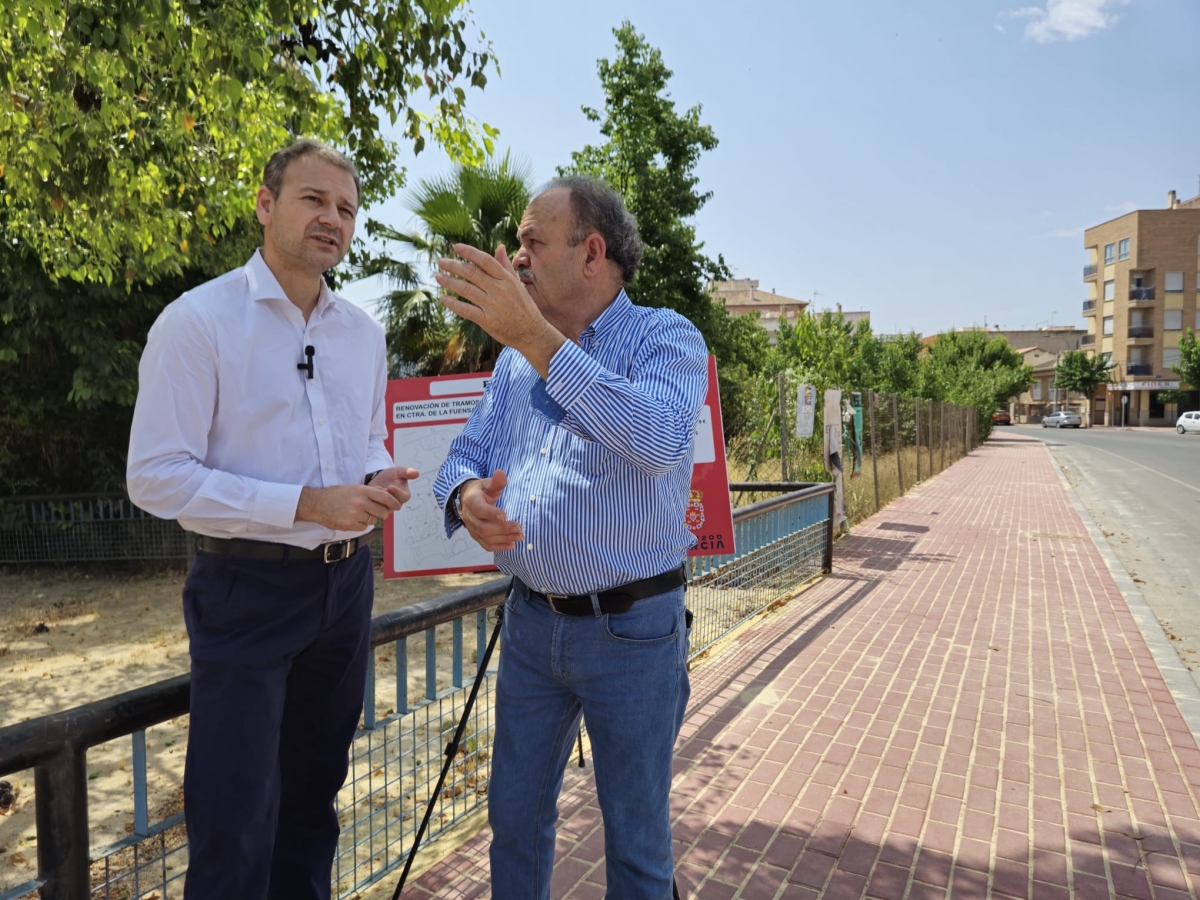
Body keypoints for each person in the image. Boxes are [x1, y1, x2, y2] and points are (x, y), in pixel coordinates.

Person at [126, 139, 418, 900]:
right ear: (265, 204)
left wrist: (373, 478)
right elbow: (154, 476)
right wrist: (303, 505)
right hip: (244, 589)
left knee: (313, 807)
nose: (333, 219)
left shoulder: (362, 332)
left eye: (347, 209)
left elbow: (365, 440)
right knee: (234, 822)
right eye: (313, 200)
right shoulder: (197, 322)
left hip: (345, 589)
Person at [432, 175, 708, 899]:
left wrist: (535, 336)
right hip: (530, 625)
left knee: (637, 844)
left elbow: (656, 437)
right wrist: (466, 498)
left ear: (591, 253)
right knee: (514, 824)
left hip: (633, 633)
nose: (516, 258)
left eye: (531, 241)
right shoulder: (512, 359)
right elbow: (464, 454)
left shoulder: (664, 336)